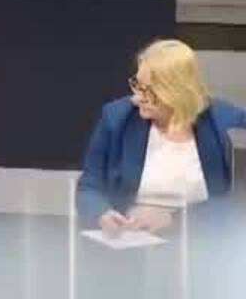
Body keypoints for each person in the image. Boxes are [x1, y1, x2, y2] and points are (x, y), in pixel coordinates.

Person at [78, 40, 246, 235]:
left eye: (149, 91)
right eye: (137, 85)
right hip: (132, 239)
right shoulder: (116, 118)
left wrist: (173, 219)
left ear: (177, 91)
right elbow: (89, 186)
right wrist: (102, 214)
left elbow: (234, 203)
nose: (139, 97)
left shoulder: (219, 120)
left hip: (201, 238)